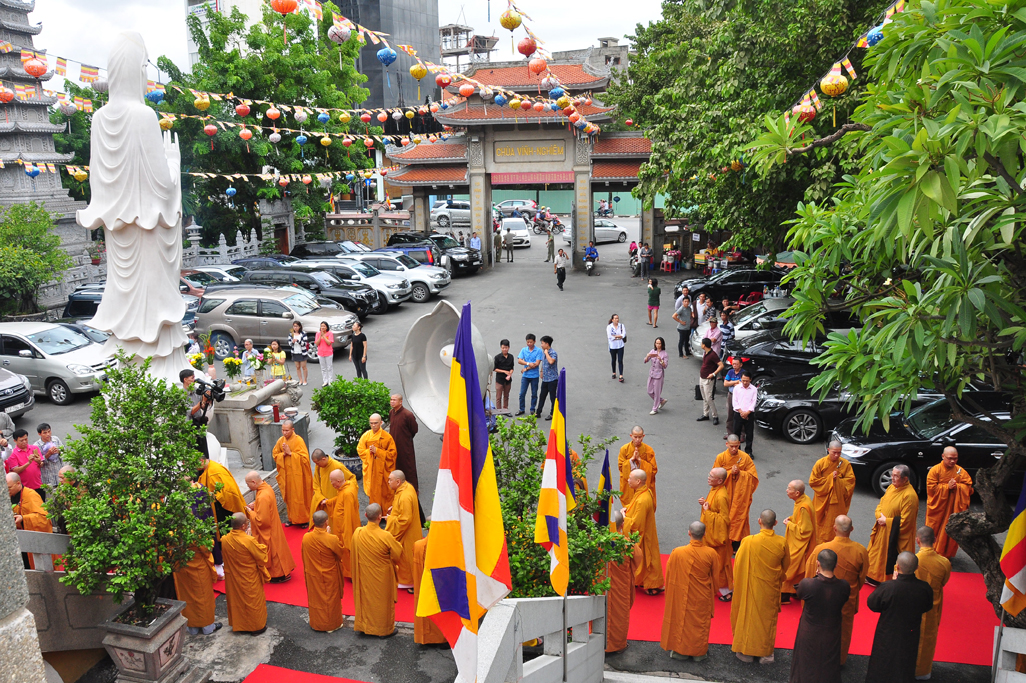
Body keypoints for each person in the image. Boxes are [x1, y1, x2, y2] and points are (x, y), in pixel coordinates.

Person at [76, 32, 190, 384]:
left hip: (120, 231)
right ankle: (161, 371)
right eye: (143, 68)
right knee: (155, 306)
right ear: (131, 71)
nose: (144, 75)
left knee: (130, 303)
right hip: (148, 229)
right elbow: (163, 185)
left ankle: (135, 374)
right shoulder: (143, 115)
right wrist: (174, 161)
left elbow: (98, 183)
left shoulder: (99, 119)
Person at [804, 515, 869, 665]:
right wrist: (852, 592)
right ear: (852, 529)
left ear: (834, 528)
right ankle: (838, 661)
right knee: (842, 630)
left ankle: (818, 656)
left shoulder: (821, 549)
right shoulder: (860, 551)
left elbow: (809, 575)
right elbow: (861, 578)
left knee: (820, 628)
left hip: (822, 598)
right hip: (846, 599)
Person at [865, 552, 935, 683]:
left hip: (888, 631)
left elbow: (872, 604)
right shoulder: (924, 588)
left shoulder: (888, 587)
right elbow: (927, 606)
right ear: (917, 567)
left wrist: (893, 582)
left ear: (897, 567)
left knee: (882, 660)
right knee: (906, 661)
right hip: (910, 632)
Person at [731, 509, 789, 664]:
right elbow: (786, 566)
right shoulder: (781, 542)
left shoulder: (748, 541)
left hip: (751, 586)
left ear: (759, 521)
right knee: (766, 620)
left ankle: (746, 651)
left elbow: (738, 565)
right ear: (775, 523)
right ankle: (765, 654)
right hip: (770, 588)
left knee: (749, 615)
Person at [660, 521, 720, 661]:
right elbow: (716, 579)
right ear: (704, 534)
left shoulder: (677, 552)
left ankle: (680, 652)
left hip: (681, 594)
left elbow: (669, 575)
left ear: (689, 533)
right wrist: (712, 592)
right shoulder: (711, 554)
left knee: (681, 620)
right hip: (702, 596)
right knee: (699, 624)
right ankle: (699, 653)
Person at [789, 549, 851, 683]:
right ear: (836, 565)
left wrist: (816, 576)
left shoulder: (808, 584)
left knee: (805, 662)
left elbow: (799, 593)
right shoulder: (844, 586)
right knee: (829, 663)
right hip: (832, 631)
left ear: (818, 563)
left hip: (810, 631)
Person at [351, 503, 403, 637]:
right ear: (380, 517)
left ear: (365, 515)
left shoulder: (358, 533)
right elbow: (397, 554)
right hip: (381, 576)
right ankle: (382, 630)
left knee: (366, 599)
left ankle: (364, 626)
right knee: (381, 602)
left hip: (364, 573)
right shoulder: (385, 536)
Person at [867, 464, 920, 584]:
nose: (892, 478)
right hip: (882, 529)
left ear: (905, 479)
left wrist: (887, 521)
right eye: (892, 475)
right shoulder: (891, 487)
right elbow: (881, 503)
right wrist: (879, 515)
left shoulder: (909, 496)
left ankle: (888, 580)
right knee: (876, 554)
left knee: (890, 558)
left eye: (896, 476)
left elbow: (907, 522)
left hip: (894, 535)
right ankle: (873, 576)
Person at [221, 513, 270, 635]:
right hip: (249, 577)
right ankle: (256, 627)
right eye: (247, 523)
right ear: (243, 526)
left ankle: (241, 626)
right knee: (252, 601)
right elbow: (262, 557)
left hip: (234, 577)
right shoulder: (248, 540)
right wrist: (249, 538)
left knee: (238, 601)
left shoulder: (225, 539)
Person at [197, 453, 246, 572]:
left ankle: (234, 556)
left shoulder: (214, 471)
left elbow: (228, 492)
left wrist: (214, 497)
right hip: (219, 507)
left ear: (202, 461)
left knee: (228, 533)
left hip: (224, 508)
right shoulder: (210, 468)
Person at [244, 471, 296, 582]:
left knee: (274, 551)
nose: (248, 487)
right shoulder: (266, 487)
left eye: (248, 484)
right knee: (279, 547)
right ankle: (284, 569)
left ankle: (279, 574)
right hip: (274, 525)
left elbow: (262, 521)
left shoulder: (262, 496)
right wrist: (256, 505)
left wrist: (250, 512)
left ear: (254, 482)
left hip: (269, 529)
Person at [914, 526, 951, 680]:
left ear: (917, 541)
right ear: (935, 540)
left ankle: (906, 666)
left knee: (909, 636)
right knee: (927, 638)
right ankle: (923, 671)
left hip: (912, 606)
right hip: (932, 605)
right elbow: (944, 582)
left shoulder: (911, 561)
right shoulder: (944, 563)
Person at [925, 447, 974, 559]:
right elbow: (931, 490)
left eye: (955, 459)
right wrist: (947, 487)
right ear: (943, 456)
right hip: (938, 508)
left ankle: (945, 555)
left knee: (950, 531)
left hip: (953, 509)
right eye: (950, 458)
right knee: (933, 530)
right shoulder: (935, 471)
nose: (952, 461)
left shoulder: (960, 471)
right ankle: (929, 553)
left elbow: (969, 489)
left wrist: (958, 487)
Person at [302, 510, 346, 632]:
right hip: (329, 575)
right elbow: (340, 553)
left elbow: (304, 555)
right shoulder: (332, 539)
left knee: (316, 599)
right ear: (326, 522)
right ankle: (330, 625)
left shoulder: (306, 537)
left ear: (313, 521)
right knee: (330, 600)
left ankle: (316, 623)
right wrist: (328, 535)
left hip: (314, 575)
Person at [712, 435, 759, 550]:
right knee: (723, 517)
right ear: (727, 444)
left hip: (740, 496)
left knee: (739, 518)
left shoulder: (745, 457)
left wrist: (740, 473)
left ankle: (736, 544)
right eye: (731, 446)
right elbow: (714, 476)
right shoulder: (721, 457)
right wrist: (729, 473)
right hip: (725, 494)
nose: (734, 449)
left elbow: (753, 476)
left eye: (736, 446)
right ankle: (722, 542)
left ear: (739, 445)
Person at [623, 469, 663, 593]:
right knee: (648, 558)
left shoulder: (642, 499)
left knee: (647, 558)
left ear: (638, 481)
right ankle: (642, 581)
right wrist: (627, 508)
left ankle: (651, 585)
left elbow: (636, 525)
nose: (628, 480)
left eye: (630, 478)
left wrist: (624, 519)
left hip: (644, 534)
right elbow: (634, 506)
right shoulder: (645, 491)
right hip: (647, 531)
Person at [605, 510, 639, 654]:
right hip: (620, 587)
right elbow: (638, 561)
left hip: (601, 587)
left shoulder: (597, 543)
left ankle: (599, 644)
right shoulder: (627, 544)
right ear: (622, 525)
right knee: (619, 616)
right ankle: (617, 645)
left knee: (602, 613)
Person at [809, 442, 855, 543]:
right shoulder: (820, 463)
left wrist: (837, 481)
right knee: (818, 523)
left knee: (835, 522)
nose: (837, 455)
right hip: (822, 500)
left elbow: (850, 481)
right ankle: (817, 543)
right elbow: (813, 482)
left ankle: (834, 543)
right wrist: (829, 479)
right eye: (834, 452)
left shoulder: (845, 464)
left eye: (839, 453)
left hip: (837, 502)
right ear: (828, 450)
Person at [388, 394, 424, 523]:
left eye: (394, 400)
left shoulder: (407, 415)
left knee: (409, 469)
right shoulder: (391, 413)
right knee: (397, 467)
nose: (392, 402)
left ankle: (413, 491)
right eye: (391, 400)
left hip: (405, 447)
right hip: (394, 447)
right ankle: (399, 486)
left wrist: (406, 439)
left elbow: (414, 429)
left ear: (401, 402)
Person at [700, 467, 734, 599]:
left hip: (717, 538)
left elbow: (724, 520)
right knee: (712, 563)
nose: (708, 477)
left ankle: (727, 592)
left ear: (720, 480)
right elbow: (714, 509)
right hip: (711, 533)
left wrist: (707, 512)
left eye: (711, 476)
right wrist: (705, 504)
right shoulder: (715, 489)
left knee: (720, 565)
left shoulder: (722, 496)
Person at [173, 544, 221, 636]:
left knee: (186, 595)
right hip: (198, 566)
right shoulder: (197, 535)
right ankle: (208, 627)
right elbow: (206, 547)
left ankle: (192, 628)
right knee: (203, 596)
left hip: (181, 567)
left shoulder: (173, 535)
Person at [272, 420, 313, 527]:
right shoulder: (281, 441)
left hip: (299, 475)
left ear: (292, 429)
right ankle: (292, 518)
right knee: (290, 498)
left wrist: (291, 453)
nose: (284, 433)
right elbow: (275, 454)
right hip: (287, 475)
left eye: (287, 430)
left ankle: (304, 519)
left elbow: (305, 459)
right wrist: (283, 455)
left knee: (300, 497)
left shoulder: (299, 440)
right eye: (283, 430)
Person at [383, 470, 420, 589]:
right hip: (412, 530)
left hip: (407, 533)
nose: (388, 482)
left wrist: (390, 519)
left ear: (398, 482)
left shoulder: (405, 496)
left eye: (390, 480)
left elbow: (405, 520)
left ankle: (408, 581)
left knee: (405, 557)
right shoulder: (408, 487)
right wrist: (394, 508)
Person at [782, 480, 818, 602]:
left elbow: (805, 531)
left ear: (797, 493)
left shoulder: (804, 506)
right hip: (799, 541)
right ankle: (796, 591)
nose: (787, 490)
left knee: (790, 565)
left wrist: (789, 524)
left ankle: (784, 594)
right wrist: (791, 518)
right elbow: (801, 519)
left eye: (789, 488)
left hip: (801, 543)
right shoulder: (803, 500)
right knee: (797, 568)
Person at [323, 468, 360, 577]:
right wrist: (329, 502)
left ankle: (351, 574)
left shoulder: (347, 493)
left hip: (345, 529)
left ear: (338, 481)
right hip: (341, 527)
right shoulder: (346, 487)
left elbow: (349, 516)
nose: (331, 484)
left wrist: (347, 535)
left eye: (332, 481)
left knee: (347, 550)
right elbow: (340, 499)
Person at [357, 413, 398, 509]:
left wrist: (378, 452)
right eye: (371, 423)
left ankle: (386, 512)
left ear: (381, 423)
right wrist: (370, 452)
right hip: (372, 470)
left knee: (386, 492)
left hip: (384, 470)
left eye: (376, 423)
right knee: (373, 492)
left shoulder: (387, 437)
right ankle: (375, 512)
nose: (373, 425)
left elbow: (392, 455)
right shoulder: (366, 436)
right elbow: (360, 450)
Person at [413, 537, 447, 645]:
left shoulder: (418, 545)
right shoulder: (445, 546)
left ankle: (424, 638)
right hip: (439, 585)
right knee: (440, 607)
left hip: (422, 583)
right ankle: (441, 639)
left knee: (424, 605)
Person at [618, 426, 657, 507]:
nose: (638, 439)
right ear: (631, 436)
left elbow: (653, 470)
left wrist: (640, 461)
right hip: (629, 486)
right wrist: (631, 460)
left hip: (643, 484)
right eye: (635, 437)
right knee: (629, 508)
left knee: (642, 506)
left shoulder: (649, 450)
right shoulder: (624, 449)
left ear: (643, 436)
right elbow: (621, 467)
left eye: (640, 437)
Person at [515, 334, 544, 416]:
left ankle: (532, 409)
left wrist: (526, 368)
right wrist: (528, 363)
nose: (529, 344)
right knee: (522, 394)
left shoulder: (538, 351)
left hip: (534, 376)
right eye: (528, 342)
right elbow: (519, 361)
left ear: (534, 342)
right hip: (525, 376)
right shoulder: (524, 350)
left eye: (531, 342)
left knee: (534, 394)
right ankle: (521, 409)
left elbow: (537, 364)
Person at [696, 337, 723, 425]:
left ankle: (715, 415)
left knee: (709, 398)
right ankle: (705, 414)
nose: (701, 345)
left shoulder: (713, 355)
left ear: (704, 345)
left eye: (701, 343)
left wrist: (713, 374)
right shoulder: (706, 352)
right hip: (702, 377)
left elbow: (721, 365)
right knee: (704, 397)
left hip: (708, 379)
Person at [731, 371, 758, 457]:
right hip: (738, 413)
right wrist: (741, 412)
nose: (745, 382)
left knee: (749, 433)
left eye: (747, 380)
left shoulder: (754, 389)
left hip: (749, 414)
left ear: (750, 380)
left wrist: (747, 412)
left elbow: (753, 402)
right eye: (743, 380)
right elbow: (734, 401)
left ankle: (748, 451)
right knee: (736, 433)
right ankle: (737, 451)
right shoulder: (737, 388)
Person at [34, 423, 64, 496]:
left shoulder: (56, 439)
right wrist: (48, 454)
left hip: (59, 474)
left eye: (49, 431)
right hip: (48, 478)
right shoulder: (36, 446)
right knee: (51, 497)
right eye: (45, 433)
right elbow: (39, 463)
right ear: (39, 434)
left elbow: (64, 451)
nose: (48, 434)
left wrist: (59, 451)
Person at [534, 336, 559, 420]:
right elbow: (544, 363)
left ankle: (552, 413)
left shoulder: (553, 353)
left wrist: (546, 353)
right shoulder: (543, 352)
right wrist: (541, 371)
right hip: (545, 379)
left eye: (542, 343)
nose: (541, 345)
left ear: (547, 344)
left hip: (552, 379)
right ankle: (538, 412)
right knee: (542, 396)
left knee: (552, 397)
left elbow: (551, 361)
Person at [645, 338, 669, 415]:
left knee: (657, 392)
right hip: (652, 373)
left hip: (659, 374)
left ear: (662, 344)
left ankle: (655, 408)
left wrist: (661, 360)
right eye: (656, 343)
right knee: (649, 391)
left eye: (659, 343)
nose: (658, 345)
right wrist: (647, 356)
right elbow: (646, 360)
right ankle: (661, 401)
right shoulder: (653, 351)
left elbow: (665, 366)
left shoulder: (664, 354)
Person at [722, 357, 743, 437]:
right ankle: (730, 433)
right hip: (731, 395)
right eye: (733, 364)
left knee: (740, 414)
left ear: (741, 365)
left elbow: (742, 384)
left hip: (740, 396)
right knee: (730, 414)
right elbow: (725, 383)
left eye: (736, 364)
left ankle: (741, 434)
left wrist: (731, 382)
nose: (734, 366)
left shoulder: (743, 373)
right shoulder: (730, 372)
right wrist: (736, 382)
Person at [493, 339, 515, 412]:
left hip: (508, 380)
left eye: (506, 348)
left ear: (509, 348)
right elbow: (494, 369)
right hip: (499, 380)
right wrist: (504, 371)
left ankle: (505, 410)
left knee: (506, 396)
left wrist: (509, 374)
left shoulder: (511, 357)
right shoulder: (497, 357)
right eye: (503, 348)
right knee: (498, 397)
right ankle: (499, 411)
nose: (505, 349)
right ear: (501, 348)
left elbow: (512, 368)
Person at [607, 314, 626, 382]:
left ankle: (621, 375)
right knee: (613, 359)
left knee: (620, 360)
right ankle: (614, 372)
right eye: (615, 318)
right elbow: (610, 337)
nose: (617, 320)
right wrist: (618, 337)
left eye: (617, 318)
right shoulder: (609, 327)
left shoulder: (621, 326)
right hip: (613, 346)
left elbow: (623, 335)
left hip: (620, 345)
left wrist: (615, 337)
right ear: (612, 320)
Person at [289, 321, 309, 386]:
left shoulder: (303, 333)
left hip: (302, 352)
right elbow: (289, 344)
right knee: (297, 367)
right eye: (294, 326)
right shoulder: (291, 334)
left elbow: (305, 343)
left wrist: (298, 341)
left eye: (296, 326)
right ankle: (300, 380)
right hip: (295, 352)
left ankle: (305, 380)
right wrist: (292, 342)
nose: (295, 327)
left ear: (299, 327)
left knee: (304, 367)